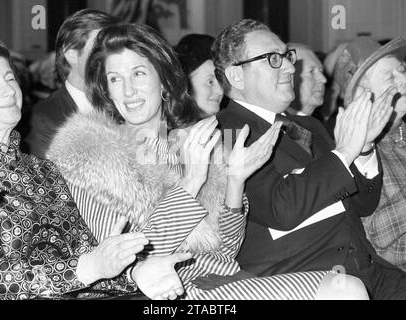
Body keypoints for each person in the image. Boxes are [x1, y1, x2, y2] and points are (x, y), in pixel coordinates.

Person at [46, 23, 369, 300]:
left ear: (164, 81)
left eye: (138, 74)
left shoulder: (192, 142)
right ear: (106, 89)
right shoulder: (91, 153)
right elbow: (126, 262)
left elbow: (226, 249)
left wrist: (234, 184)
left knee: (347, 286)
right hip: (168, 293)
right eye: (114, 79)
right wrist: (191, 183)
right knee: (345, 290)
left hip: (223, 281)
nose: (128, 91)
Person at [0, 31, 190, 300]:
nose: (9, 90)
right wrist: (87, 268)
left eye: (10, 77)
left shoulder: (42, 170)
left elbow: (88, 256)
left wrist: (134, 273)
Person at [213, 18, 406, 299]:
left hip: (368, 271)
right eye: (273, 59)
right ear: (236, 76)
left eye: (286, 55)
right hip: (301, 278)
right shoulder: (225, 132)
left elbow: (363, 204)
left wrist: (365, 148)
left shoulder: (310, 127)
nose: (288, 66)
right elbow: (278, 208)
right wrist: (344, 152)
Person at [334, 36, 406, 276]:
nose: (405, 80)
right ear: (363, 92)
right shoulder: (355, 149)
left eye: (403, 71)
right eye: (391, 76)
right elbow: (377, 236)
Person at [24, 9, 119, 158]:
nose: (114, 58)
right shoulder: (42, 119)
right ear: (72, 55)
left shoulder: (127, 103)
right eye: (100, 49)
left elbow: (156, 165)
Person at [174, 34, 224, 117]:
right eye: (210, 82)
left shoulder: (231, 127)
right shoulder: (162, 127)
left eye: (221, 80)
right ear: (185, 84)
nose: (220, 91)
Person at [286, 43, 327, 117]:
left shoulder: (318, 124)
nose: (324, 79)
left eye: (321, 71)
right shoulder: (273, 126)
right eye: (311, 71)